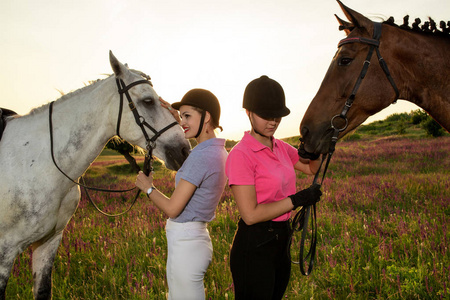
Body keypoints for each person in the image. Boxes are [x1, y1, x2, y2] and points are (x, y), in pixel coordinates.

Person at [225, 75, 323, 300]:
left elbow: (310, 169)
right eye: (266, 115)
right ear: (248, 112)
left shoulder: (280, 147)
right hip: (255, 244)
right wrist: (297, 200)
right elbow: (250, 215)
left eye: (277, 115)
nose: (273, 121)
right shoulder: (241, 155)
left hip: (281, 239)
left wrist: (315, 149)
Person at [135, 89, 227, 300]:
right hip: (193, 241)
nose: (182, 121)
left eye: (187, 116)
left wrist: (148, 187)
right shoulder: (217, 150)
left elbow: (173, 208)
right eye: (181, 116)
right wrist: (177, 116)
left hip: (186, 243)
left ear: (207, 117)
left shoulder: (201, 156)